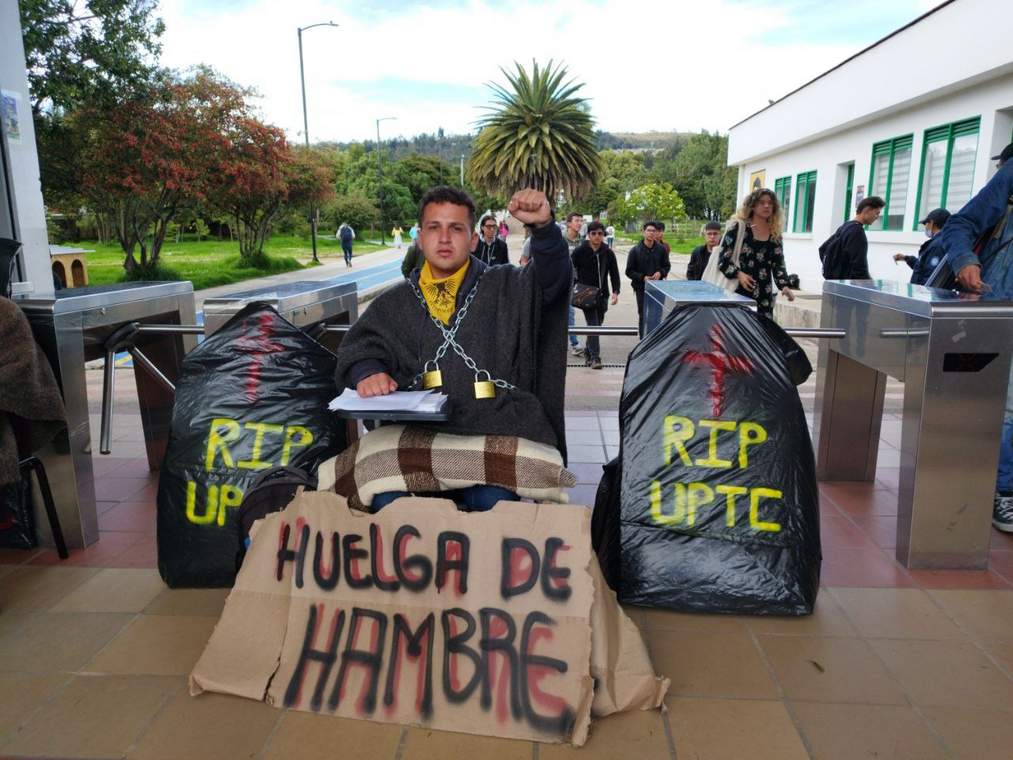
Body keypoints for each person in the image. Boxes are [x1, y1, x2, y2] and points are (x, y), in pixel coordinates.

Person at [334, 186, 571, 512]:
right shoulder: (393, 302)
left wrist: (544, 229)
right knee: (391, 506)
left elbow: (552, 280)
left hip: (493, 431)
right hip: (415, 439)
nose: (444, 238)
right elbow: (360, 346)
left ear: (473, 239)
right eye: (434, 228)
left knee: (494, 506)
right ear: (419, 238)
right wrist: (368, 371)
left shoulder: (507, 286)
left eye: (456, 228)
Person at [932, 141, 1013, 530]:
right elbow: (959, 224)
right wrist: (966, 261)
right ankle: (1002, 489)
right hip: (1000, 308)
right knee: (1003, 402)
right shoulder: (1009, 177)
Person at [716, 188, 795, 319]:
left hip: (764, 297)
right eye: (761, 202)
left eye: (770, 203)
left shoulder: (775, 234)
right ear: (752, 205)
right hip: (737, 292)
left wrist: (784, 286)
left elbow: (778, 264)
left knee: (761, 335)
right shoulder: (738, 228)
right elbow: (723, 261)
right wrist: (739, 274)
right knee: (738, 334)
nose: (767, 206)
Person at [571, 221, 620, 369]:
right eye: (594, 234)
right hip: (586, 294)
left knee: (597, 325)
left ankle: (587, 351)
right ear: (589, 235)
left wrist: (616, 292)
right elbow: (571, 269)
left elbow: (614, 274)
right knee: (593, 324)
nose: (597, 237)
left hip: (602, 294)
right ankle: (595, 358)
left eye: (600, 233)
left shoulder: (608, 252)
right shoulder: (579, 251)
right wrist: (575, 286)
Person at [819, 196, 886, 279]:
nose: (877, 217)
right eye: (877, 213)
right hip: (847, 286)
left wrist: (833, 270)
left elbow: (822, 249)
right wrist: (870, 286)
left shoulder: (845, 226)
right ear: (867, 210)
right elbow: (859, 267)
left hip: (833, 283)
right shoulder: (857, 232)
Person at [625, 221, 671, 337]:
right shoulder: (635, 251)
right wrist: (642, 277)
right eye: (648, 230)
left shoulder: (661, 249)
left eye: (653, 231)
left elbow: (667, 266)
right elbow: (629, 271)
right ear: (643, 232)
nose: (651, 233)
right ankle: (643, 341)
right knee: (643, 315)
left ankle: (653, 340)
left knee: (656, 315)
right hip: (641, 288)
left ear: (656, 233)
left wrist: (660, 273)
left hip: (658, 288)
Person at [892, 208, 950, 285]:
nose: (925, 227)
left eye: (925, 224)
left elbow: (929, 276)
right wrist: (906, 258)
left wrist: (918, 293)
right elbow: (924, 267)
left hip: (923, 294)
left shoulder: (937, 245)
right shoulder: (943, 241)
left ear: (931, 223)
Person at [563, 211, 585, 355]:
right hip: (559, 281)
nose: (579, 223)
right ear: (569, 223)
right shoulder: (559, 239)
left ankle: (574, 343)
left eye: (581, 221)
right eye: (576, 220)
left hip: (575, 282)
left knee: (570, 313)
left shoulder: (582, 241)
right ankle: (574, 343)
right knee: (565, 312)